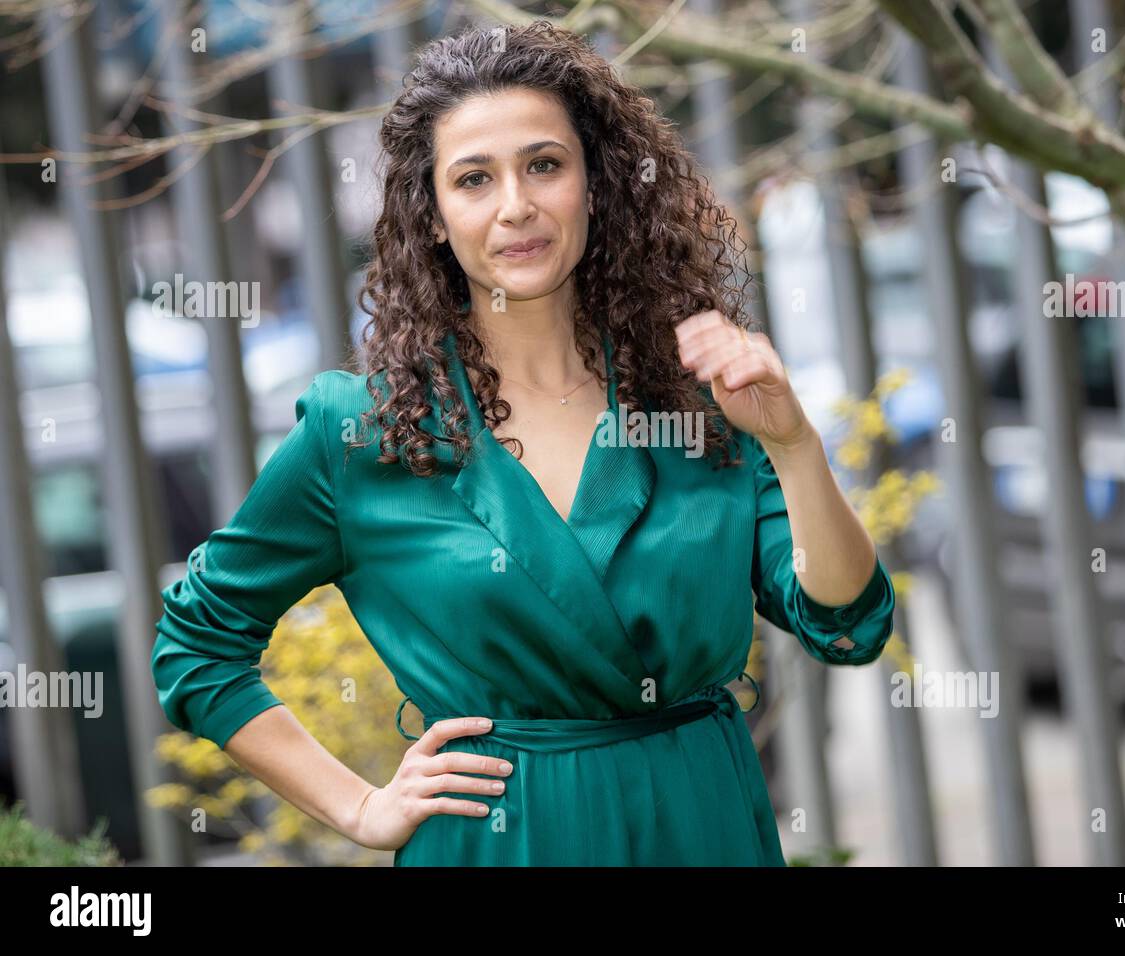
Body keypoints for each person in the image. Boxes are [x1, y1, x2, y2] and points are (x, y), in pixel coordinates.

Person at [152, 20, 895, 866]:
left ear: (597, 182)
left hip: (700, 824)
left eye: (545, 164)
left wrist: (797, 447)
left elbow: (846, 628)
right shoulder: (362, 430)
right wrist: (359, 807)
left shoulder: (706, 396)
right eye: (474, 178)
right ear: (431, 216)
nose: (516, 205)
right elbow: (197, 646)